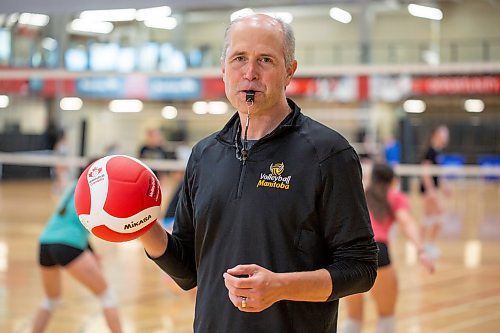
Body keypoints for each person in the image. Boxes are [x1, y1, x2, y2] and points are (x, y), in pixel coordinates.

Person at [138, 14, 378, 332]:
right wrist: (138, 225)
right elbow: (187, 271)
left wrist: (281, 286)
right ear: (223, 68)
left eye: (265, 59)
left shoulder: (328, 154)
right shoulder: (203, 155)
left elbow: (361, 268)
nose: (250, 73)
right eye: (239, 59)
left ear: (289, 70)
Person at [342, 163, 435, 333]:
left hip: (348, 254)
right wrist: (421, 250)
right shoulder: (394, 196)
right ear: (393, 180)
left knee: (353, 318)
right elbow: (406, 223)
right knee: (386, 315)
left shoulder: (358, 194)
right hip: (376, 252)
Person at [32, 178, 122, 333]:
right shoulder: (98, 194)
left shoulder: (74, 186)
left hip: (45, 244)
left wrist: (91, 253)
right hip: (68, 244)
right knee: (107, 296)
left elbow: (74, 224)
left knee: (50, 300)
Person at [419, 125, 450, 259]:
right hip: (428, 191)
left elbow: (439, 174)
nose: (446, 138)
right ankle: (425, 245)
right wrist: (430, 191)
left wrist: (445, 187)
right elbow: (426, 173)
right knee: (437, 216)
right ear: (436, 135)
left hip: (434, 190)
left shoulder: (438, 152)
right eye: (444, 135)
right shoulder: (430, 151)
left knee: (429, 218)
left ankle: (424, 246)